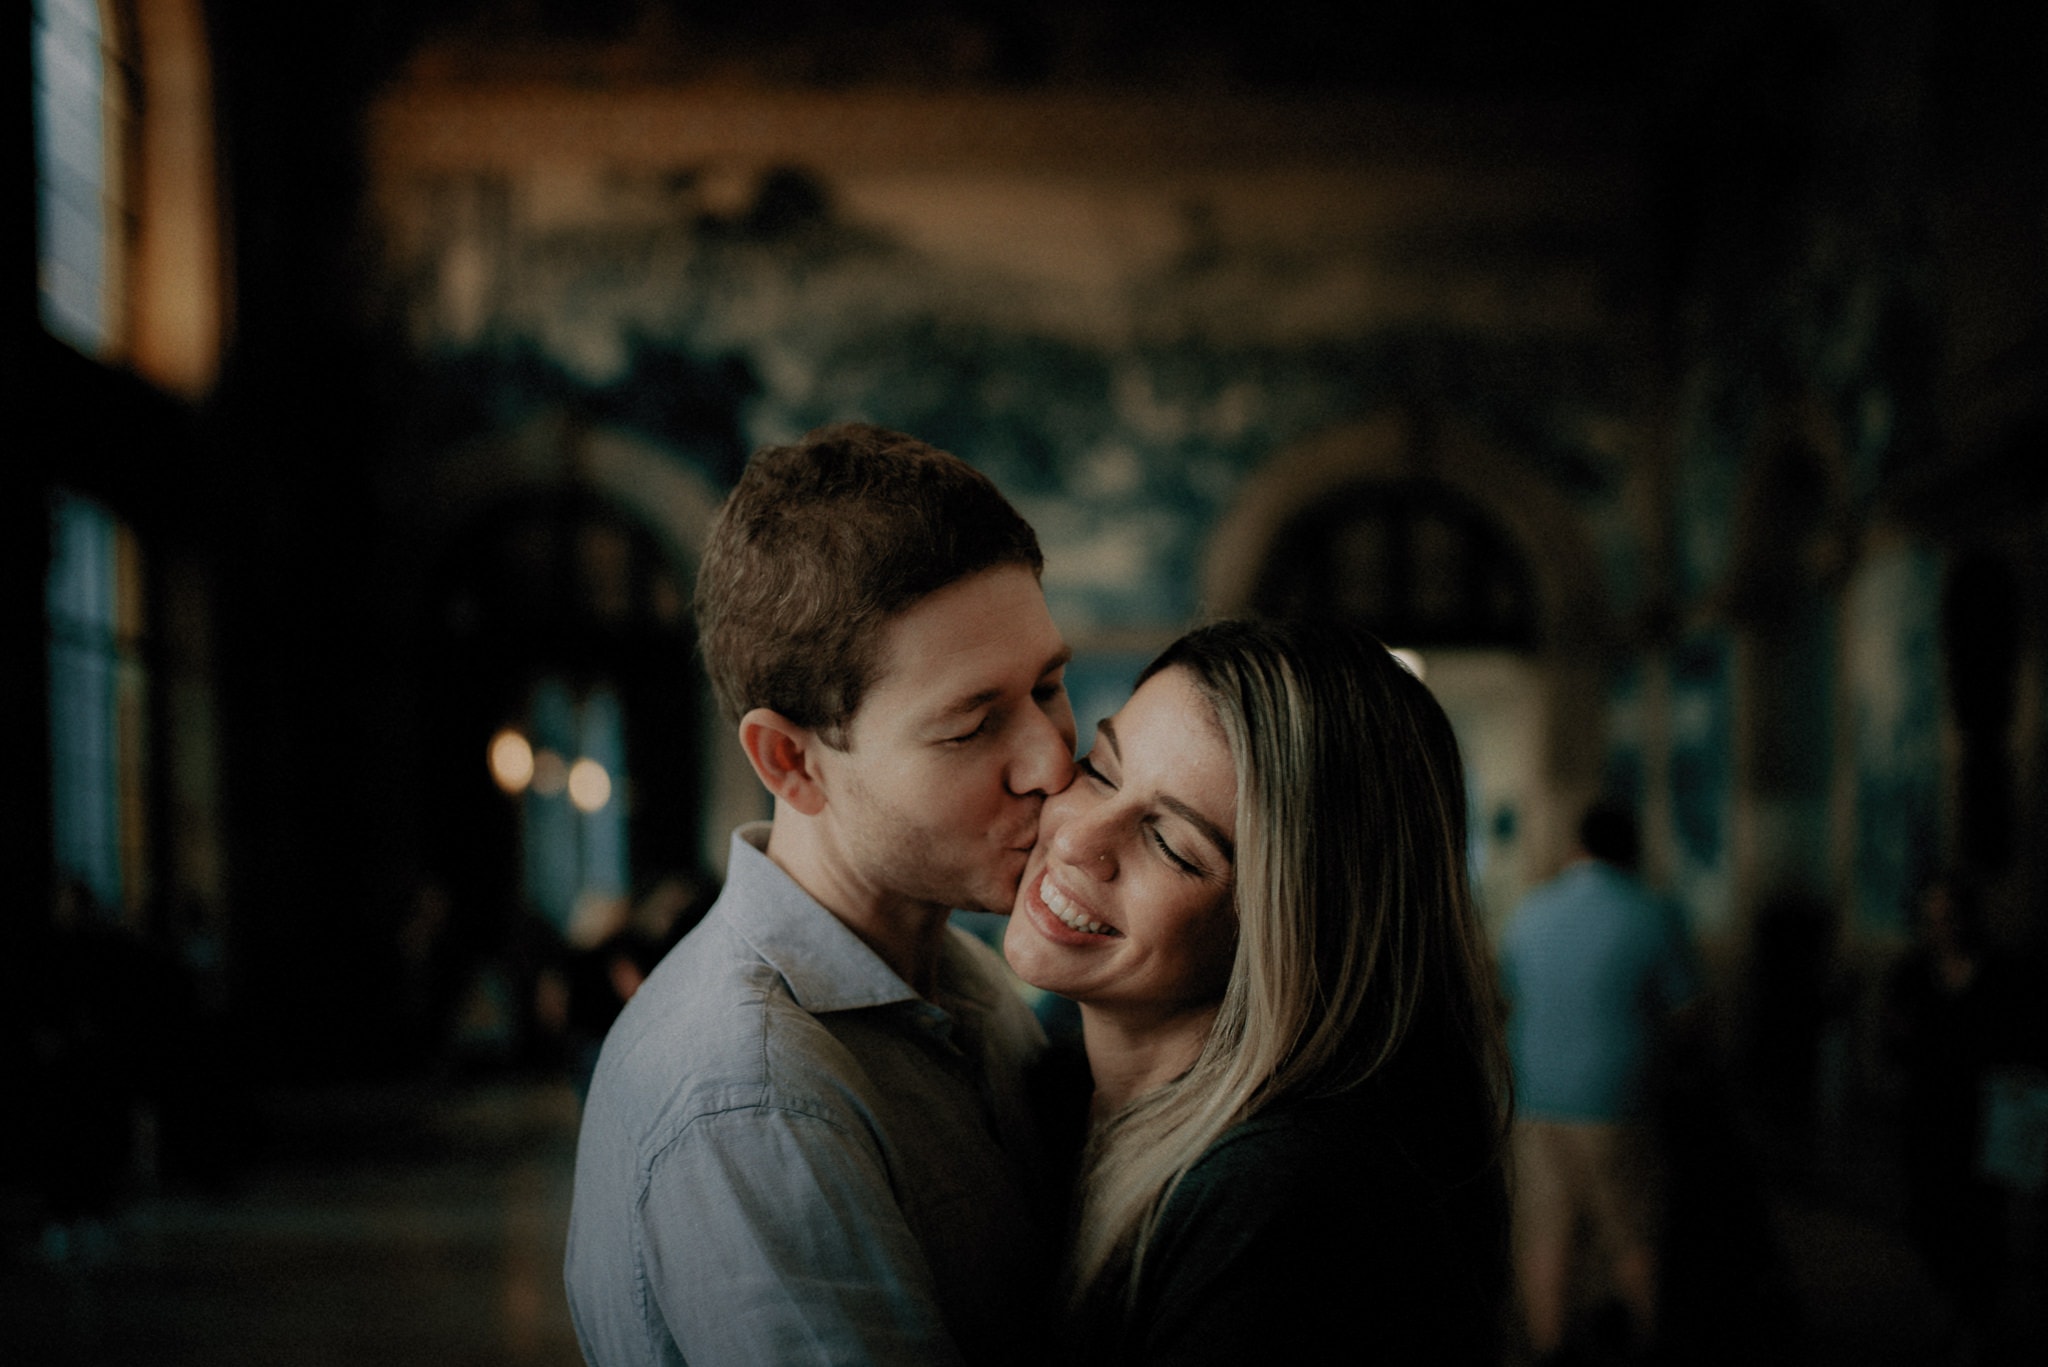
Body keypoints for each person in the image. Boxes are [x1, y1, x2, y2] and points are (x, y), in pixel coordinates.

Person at [564, 423, 1077, 1367]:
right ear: (792, 760)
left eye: (1050, 685)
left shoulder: (963, 976)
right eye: (973, 724)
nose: (1053, 760)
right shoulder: (753, 1095)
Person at [1002, 618, 1513, 1365]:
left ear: (1293, 934)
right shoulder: (1040, 1089)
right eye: (1103, 771)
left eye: (1173, 844)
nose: (1079, 839)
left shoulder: (1287, 1210)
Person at [1497, 803, 1698, 1364]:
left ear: (1576, 849)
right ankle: (1649, 1341)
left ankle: (1549, 1346)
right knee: (1631, 1226)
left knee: (1545, 1225)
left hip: (1536, 1094)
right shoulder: (1652, 912)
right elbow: (1686, 1016)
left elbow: (1509, 998)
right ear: (1631, 851)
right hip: (1617, 1097)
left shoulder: (1531, 911)